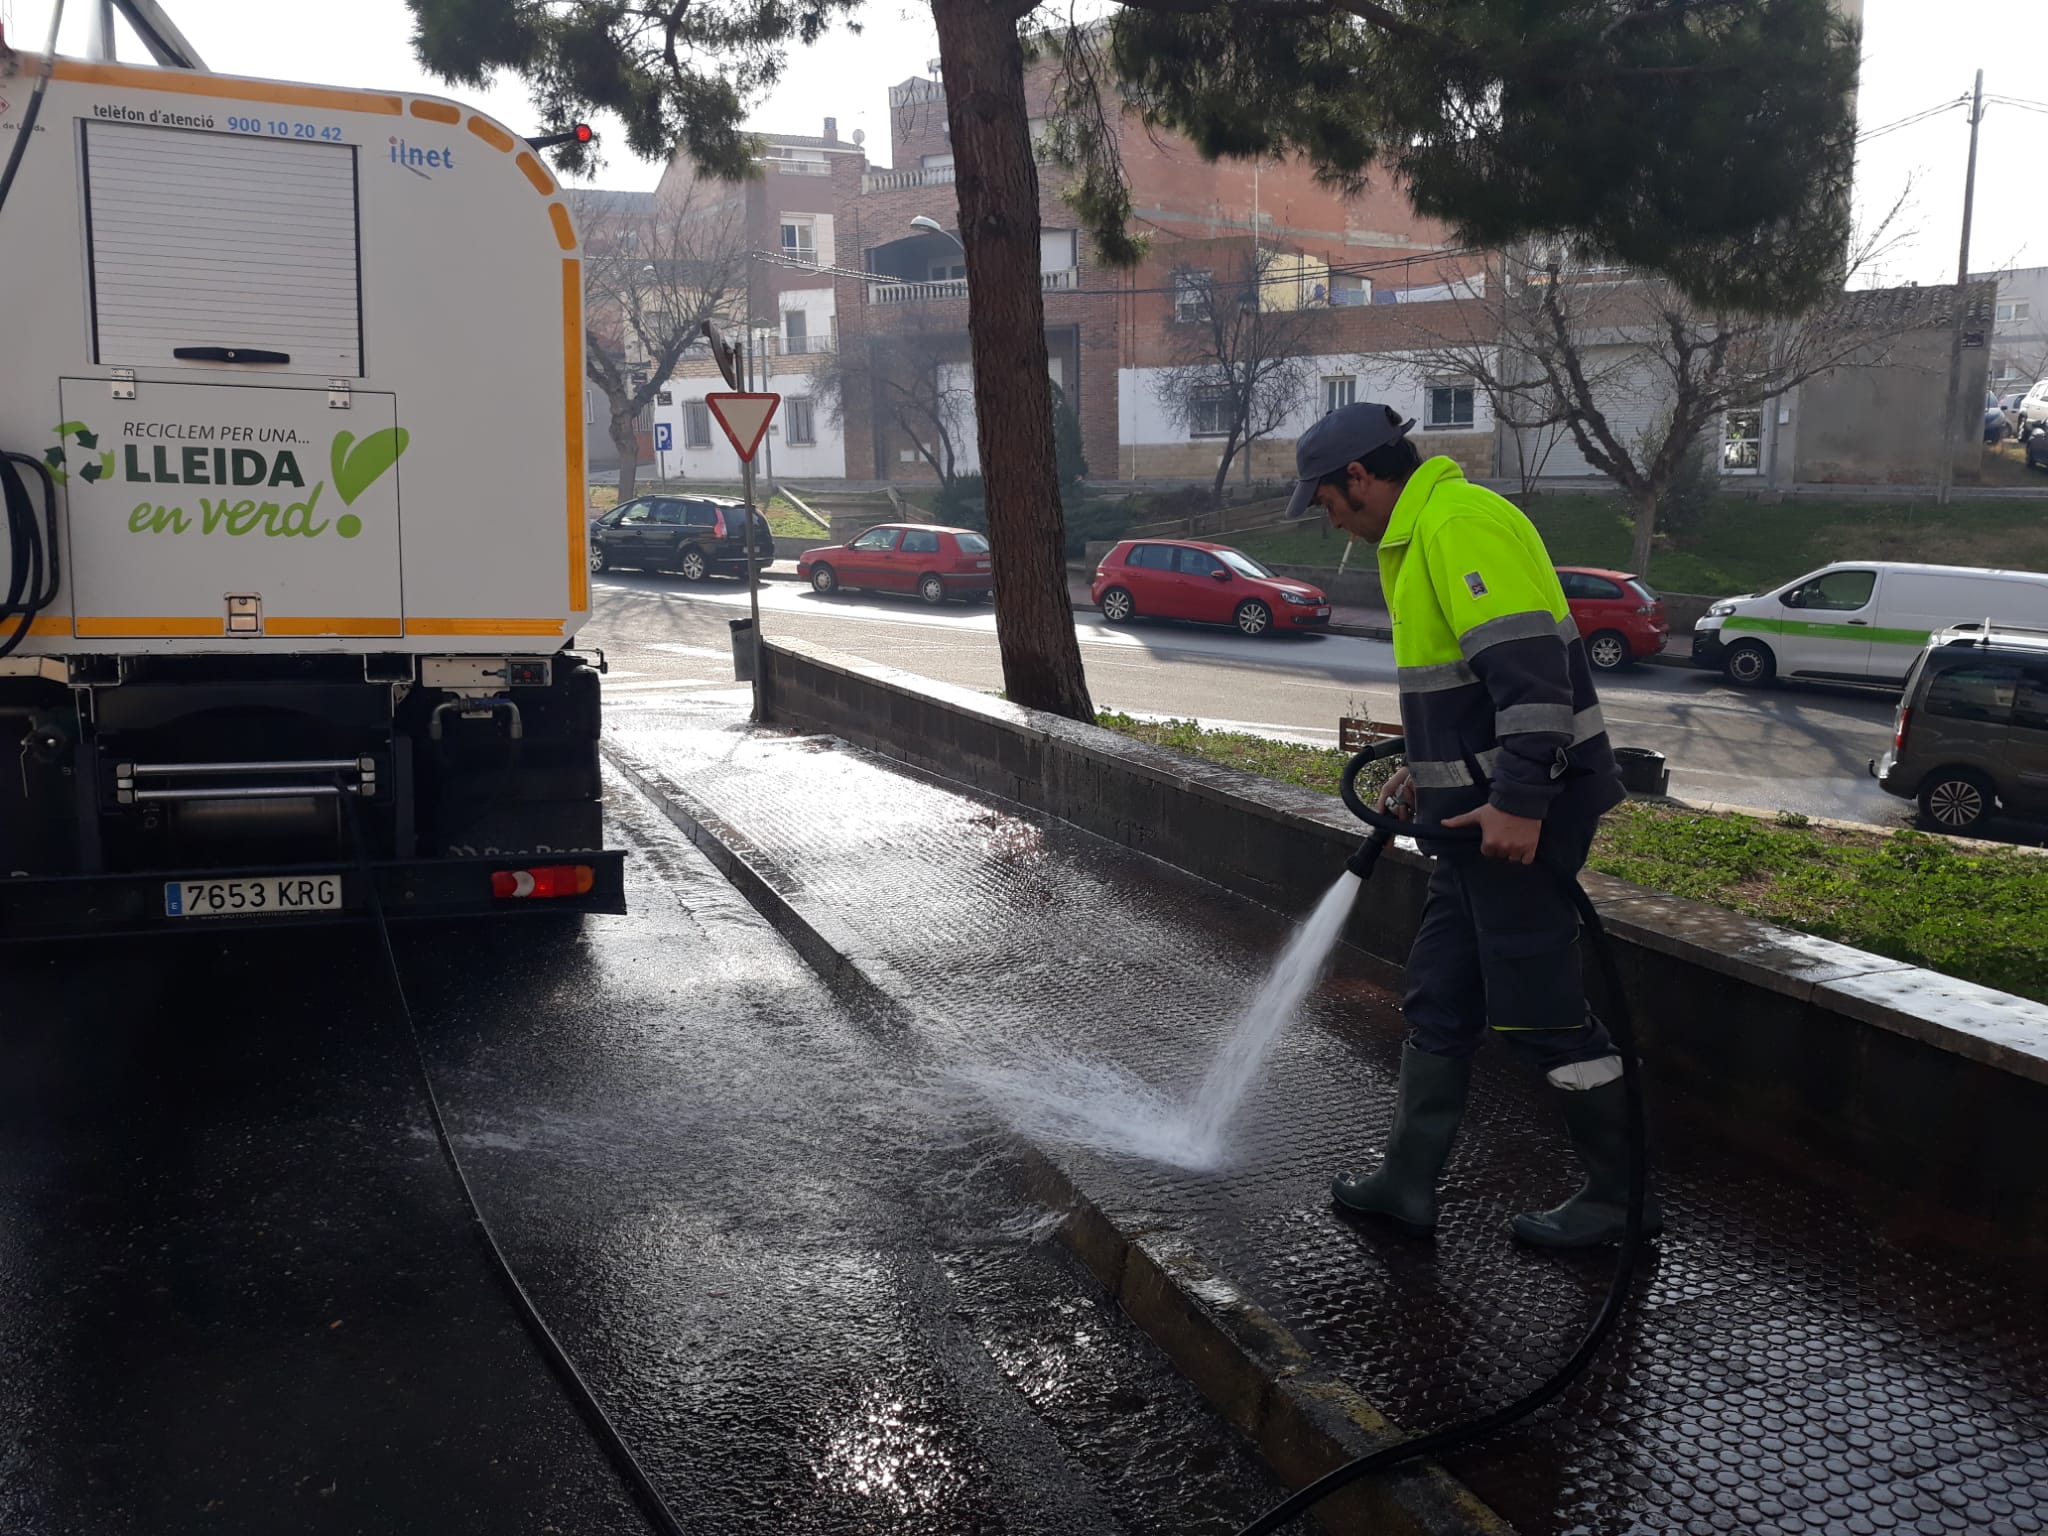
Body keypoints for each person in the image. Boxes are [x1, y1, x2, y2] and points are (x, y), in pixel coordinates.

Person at [1284, 403, 1660, 1248]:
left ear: (1360, 476)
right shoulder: (1421, 534)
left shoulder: (1457, 525)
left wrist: (1521, 801)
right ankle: (1407, 1183)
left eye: (1329, 500)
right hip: (1472, 818)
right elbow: (1466, 689)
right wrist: (1427, 774)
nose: (1329, 519)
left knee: (1541, 1011)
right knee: (1440, 994)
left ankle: (1621, 1200)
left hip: (1523, 819)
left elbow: (1531, 680)